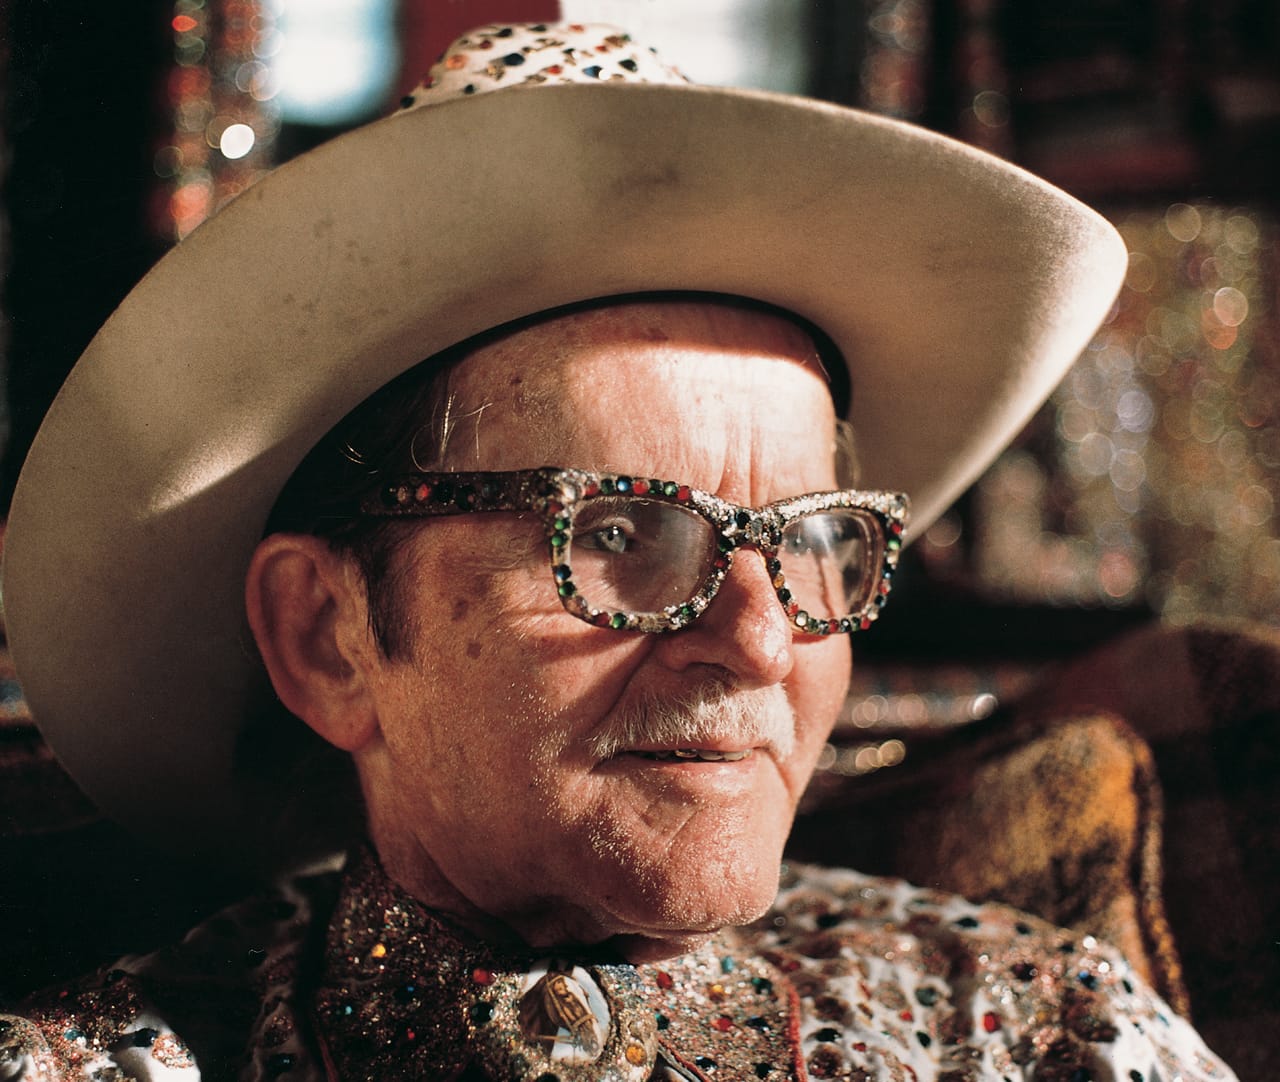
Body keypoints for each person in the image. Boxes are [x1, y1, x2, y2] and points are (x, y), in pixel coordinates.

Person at [0, 22, 1235, 1082]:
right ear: (329, 637)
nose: (759, 638)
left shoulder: (1038, 1032)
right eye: (617, 534)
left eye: (814, 541)